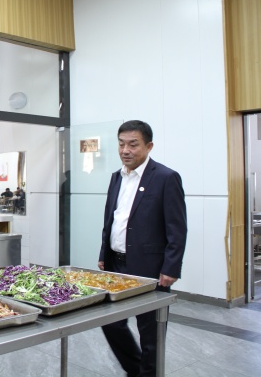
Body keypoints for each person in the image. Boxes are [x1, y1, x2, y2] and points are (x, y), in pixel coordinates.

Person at [98, 120, 187, 377]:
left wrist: (171, 267)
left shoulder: (165, 178)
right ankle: (136, 370)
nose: (125, 150)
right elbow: (111, 219)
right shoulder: (117, 177)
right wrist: (104, 254)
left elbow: (177, 227)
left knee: (151, 332)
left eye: (133, 144)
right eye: (121, 144)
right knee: (111, 322)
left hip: (150, 267)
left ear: (149, 146)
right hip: (116, 265)